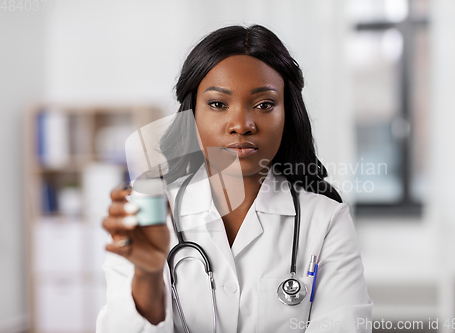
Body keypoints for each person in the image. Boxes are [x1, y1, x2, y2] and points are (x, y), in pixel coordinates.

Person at [97, 24, 372, 333]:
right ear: (192, 114)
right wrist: (146, 277)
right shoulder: (147, 212)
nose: (241, 124)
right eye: (218, 104)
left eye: (264, 104)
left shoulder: (325, 220)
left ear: (288, 113)